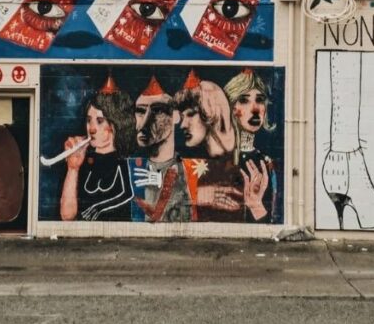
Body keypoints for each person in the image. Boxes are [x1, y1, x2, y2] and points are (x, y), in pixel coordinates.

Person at [59, 75, 135, 222]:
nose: (91, 129)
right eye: (89, 121)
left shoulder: (122, 160)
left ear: (116, 124)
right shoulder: (83, 161)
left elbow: (127, 193)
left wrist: (99, 207)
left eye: (100, 121)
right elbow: (67, 216)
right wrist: (73, 169)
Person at [129, 75, 199, 223]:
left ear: (176, 116)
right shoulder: (131, 166)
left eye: (157, 111)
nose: (143, 124)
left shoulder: (190, 167)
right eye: (140, 111)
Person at [174, 70, 243, 221]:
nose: (183, 125)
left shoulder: (244, 158)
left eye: (191, 114)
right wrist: (197, 194)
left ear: (212, 110)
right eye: (182, 117)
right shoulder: (183, 160)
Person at [224, 68, 278, 223]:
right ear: (232, 108)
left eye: (260, 100)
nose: (255, 109)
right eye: (244, 100)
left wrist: (256, 206)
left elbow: (271, 221)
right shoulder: (219, 157)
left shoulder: (266, 163)